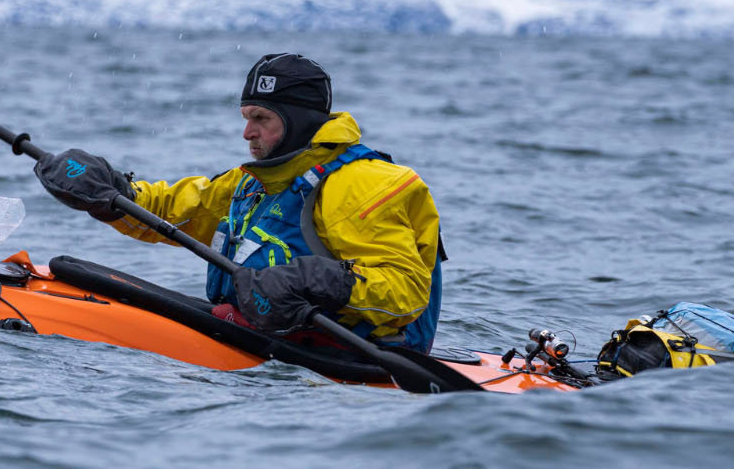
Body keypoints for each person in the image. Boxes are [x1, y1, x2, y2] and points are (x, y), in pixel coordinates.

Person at [33, 53, 444, 351]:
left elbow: (405, 292)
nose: (247, 133)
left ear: (300, 122)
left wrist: (312, 279)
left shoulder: (363, 184)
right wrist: (109, 193)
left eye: (261, 119)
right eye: (246, 117)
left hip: (350, 357)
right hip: (267, 337)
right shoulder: (252, 183)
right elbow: (172, 210)